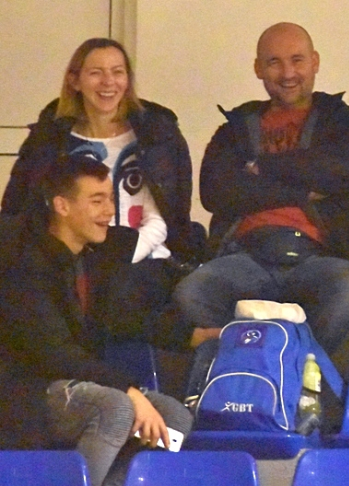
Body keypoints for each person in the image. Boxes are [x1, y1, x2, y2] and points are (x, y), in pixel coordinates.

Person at [0, 155, 193, 486]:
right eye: (97, 200)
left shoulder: (95, 258)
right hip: (25, 393)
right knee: (116, 409)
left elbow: (126, 320)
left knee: (174, 417)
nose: (109, 211)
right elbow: (54, 352)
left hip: (77, 384)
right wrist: (128, 391)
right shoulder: (25, 265)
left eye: (110, 199)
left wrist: (193, 335)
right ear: (62, 206)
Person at [173, 22, 349, 354]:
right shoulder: (235, 130)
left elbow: (341, 172)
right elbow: (217, 192)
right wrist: (301, 192)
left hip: (319, 258)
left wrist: (262, 167)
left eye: (297, 60)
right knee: (191, 292)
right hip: (245, 257)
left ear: (315, 62)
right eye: (274, 62)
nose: (287, 73)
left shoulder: (347, 121)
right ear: (258, 68)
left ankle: (296, 370)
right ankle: (246, 367)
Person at [2, 37, 202, 343]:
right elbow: (19, 205)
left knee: (117, 294)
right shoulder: (51, 137)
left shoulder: (156, 134)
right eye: (96, 72)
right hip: (68, 256)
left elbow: (166, 218)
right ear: (75, 80)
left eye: (117, 72)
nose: (108, 82)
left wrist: (120, 254)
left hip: (142, 255)